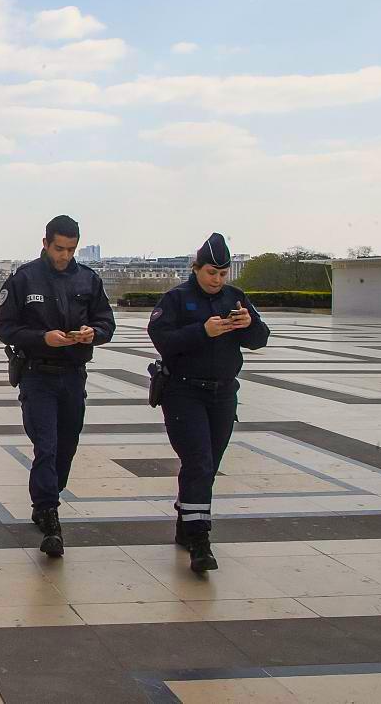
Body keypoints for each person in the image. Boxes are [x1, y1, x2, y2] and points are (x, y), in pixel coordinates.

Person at [0, 215, 115, 557]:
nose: (64, 256)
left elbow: (106, 321)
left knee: (66, 445)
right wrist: (42, 338)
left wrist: (94, 333)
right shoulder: (24, 279)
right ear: (45, 243)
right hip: (38, 374)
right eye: (59, 248)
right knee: (46, 445)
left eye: (71, 250)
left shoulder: (88, 279)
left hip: (73, 374)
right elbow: (4, 328)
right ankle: (48, 511)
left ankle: (49, 496)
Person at [146, 233, 269, 572]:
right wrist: (203, 331)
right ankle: (201, 540)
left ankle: (187, 520)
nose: (217, 280)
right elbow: (161, 339)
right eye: (211, 273)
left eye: (223, 273)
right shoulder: (176, 298)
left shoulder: (236, 297)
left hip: (223, 394)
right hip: (183, 392)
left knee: (208, 465)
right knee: (198, 460)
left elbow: (260, 339)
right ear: (196, 269)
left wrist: (250, 324)